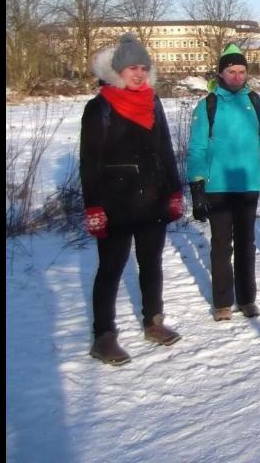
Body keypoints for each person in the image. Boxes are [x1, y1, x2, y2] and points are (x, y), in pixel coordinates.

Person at [80, 33, 183, 365]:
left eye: (143, 68)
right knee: (110, 268)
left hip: (152, 199)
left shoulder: (153, 102)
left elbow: (166, 150)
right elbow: (89, 162)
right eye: (132, 68)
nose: (138, 74)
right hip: (115, 204)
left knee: (151, 263)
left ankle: (153, 321)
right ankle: (104, 336)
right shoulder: (100, 108)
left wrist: (175, 189)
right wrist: (94, 207)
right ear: (117, 71)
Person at [186, 44, 260, 321]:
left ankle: (247, 298)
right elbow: (197, 147)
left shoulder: (255, 102)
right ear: (221, 73)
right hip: (218, 186)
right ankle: (222, 302)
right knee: (220, 246)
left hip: (248, 183)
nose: (237, 77)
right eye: (231, 71)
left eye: (241, 71)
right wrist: (197, 186)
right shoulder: (208, 105)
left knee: (246, 243)